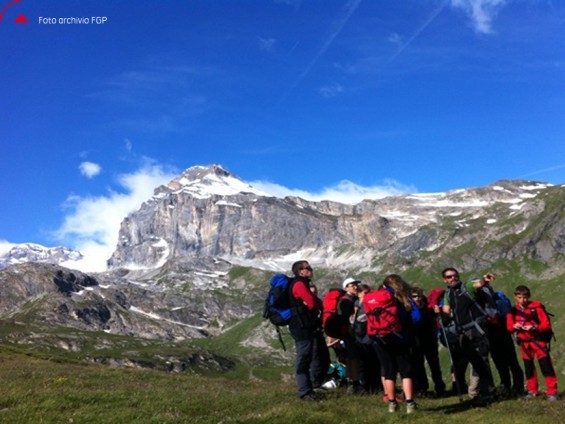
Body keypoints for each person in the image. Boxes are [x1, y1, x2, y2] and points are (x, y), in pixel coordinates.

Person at [438, 268, 495, 406]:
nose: (453, 278)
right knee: (475, 361)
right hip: (462, 332)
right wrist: (439, 312)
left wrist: (484, 280)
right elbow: (446, 312)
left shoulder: (467, 286)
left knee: (482, 359)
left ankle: (486, 392)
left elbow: (478, 284)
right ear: (444, 280)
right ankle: (479, 392)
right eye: (449, 277)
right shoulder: (448, 294)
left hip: (476, 329)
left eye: (455, 275)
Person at [370, 274, 418, 414]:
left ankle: (392, 404)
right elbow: (417, 317)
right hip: (400, 338)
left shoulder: (376, 298)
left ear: (384, 285)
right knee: (405, 371)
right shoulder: (403, 298)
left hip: (380, 339)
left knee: (388, 371)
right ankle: (410, 403)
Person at [507, 285, 558, 401]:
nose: (522, 300)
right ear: (515, 297)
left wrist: (534, 327)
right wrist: (515, 326)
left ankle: (552, 392)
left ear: (529, 296)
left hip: (538, 341)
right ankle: (532, 390)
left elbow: (546, 325)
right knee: (529, 367)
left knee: (546, 366)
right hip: (524, 343)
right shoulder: (513, 311)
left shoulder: (537, 307)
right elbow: (509, 327)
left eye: (525, 297)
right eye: (519, 297)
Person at [287, 260, 326, 401]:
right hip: (301, 327)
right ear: (300, 271)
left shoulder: (301, 283)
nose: (311, 269)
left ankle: (308, 390)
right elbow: (311, 302)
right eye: (307, 268)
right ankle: (304, 392)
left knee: (307, 357)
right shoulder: (299, 284)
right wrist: (315, 306)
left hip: (303, 326)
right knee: (303, 359)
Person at [410, 287, 445, 397]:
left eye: (419, 296)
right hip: (417, 340)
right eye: (414, 296)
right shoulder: (411, 308)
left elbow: (434, 321)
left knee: (434, 364)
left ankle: (439, 387)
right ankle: (423, 388)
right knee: (419, 365)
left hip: (429, 338)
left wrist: (435, 335)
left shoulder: (427, 307)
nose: (417, 298)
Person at [337, 277, 366, 395]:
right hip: (350, 333)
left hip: (351, 333)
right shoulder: (345, 301)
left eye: (355, 285)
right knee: (353, 358)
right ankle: (355, 383)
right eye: (351, 285)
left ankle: (354, 382)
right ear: (346, 288)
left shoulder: (351, 299)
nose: (355, 287)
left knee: (352, 358)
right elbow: (347, 319)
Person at [353, 283, 382, 394]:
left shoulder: (369, 303)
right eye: (365, 293)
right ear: (359, 294)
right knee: (365, 362)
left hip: (368, 335)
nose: (367, 295)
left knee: (373, 361)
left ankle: (375, 385)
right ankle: (367, 385)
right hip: (362, 336)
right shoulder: (358, 305)